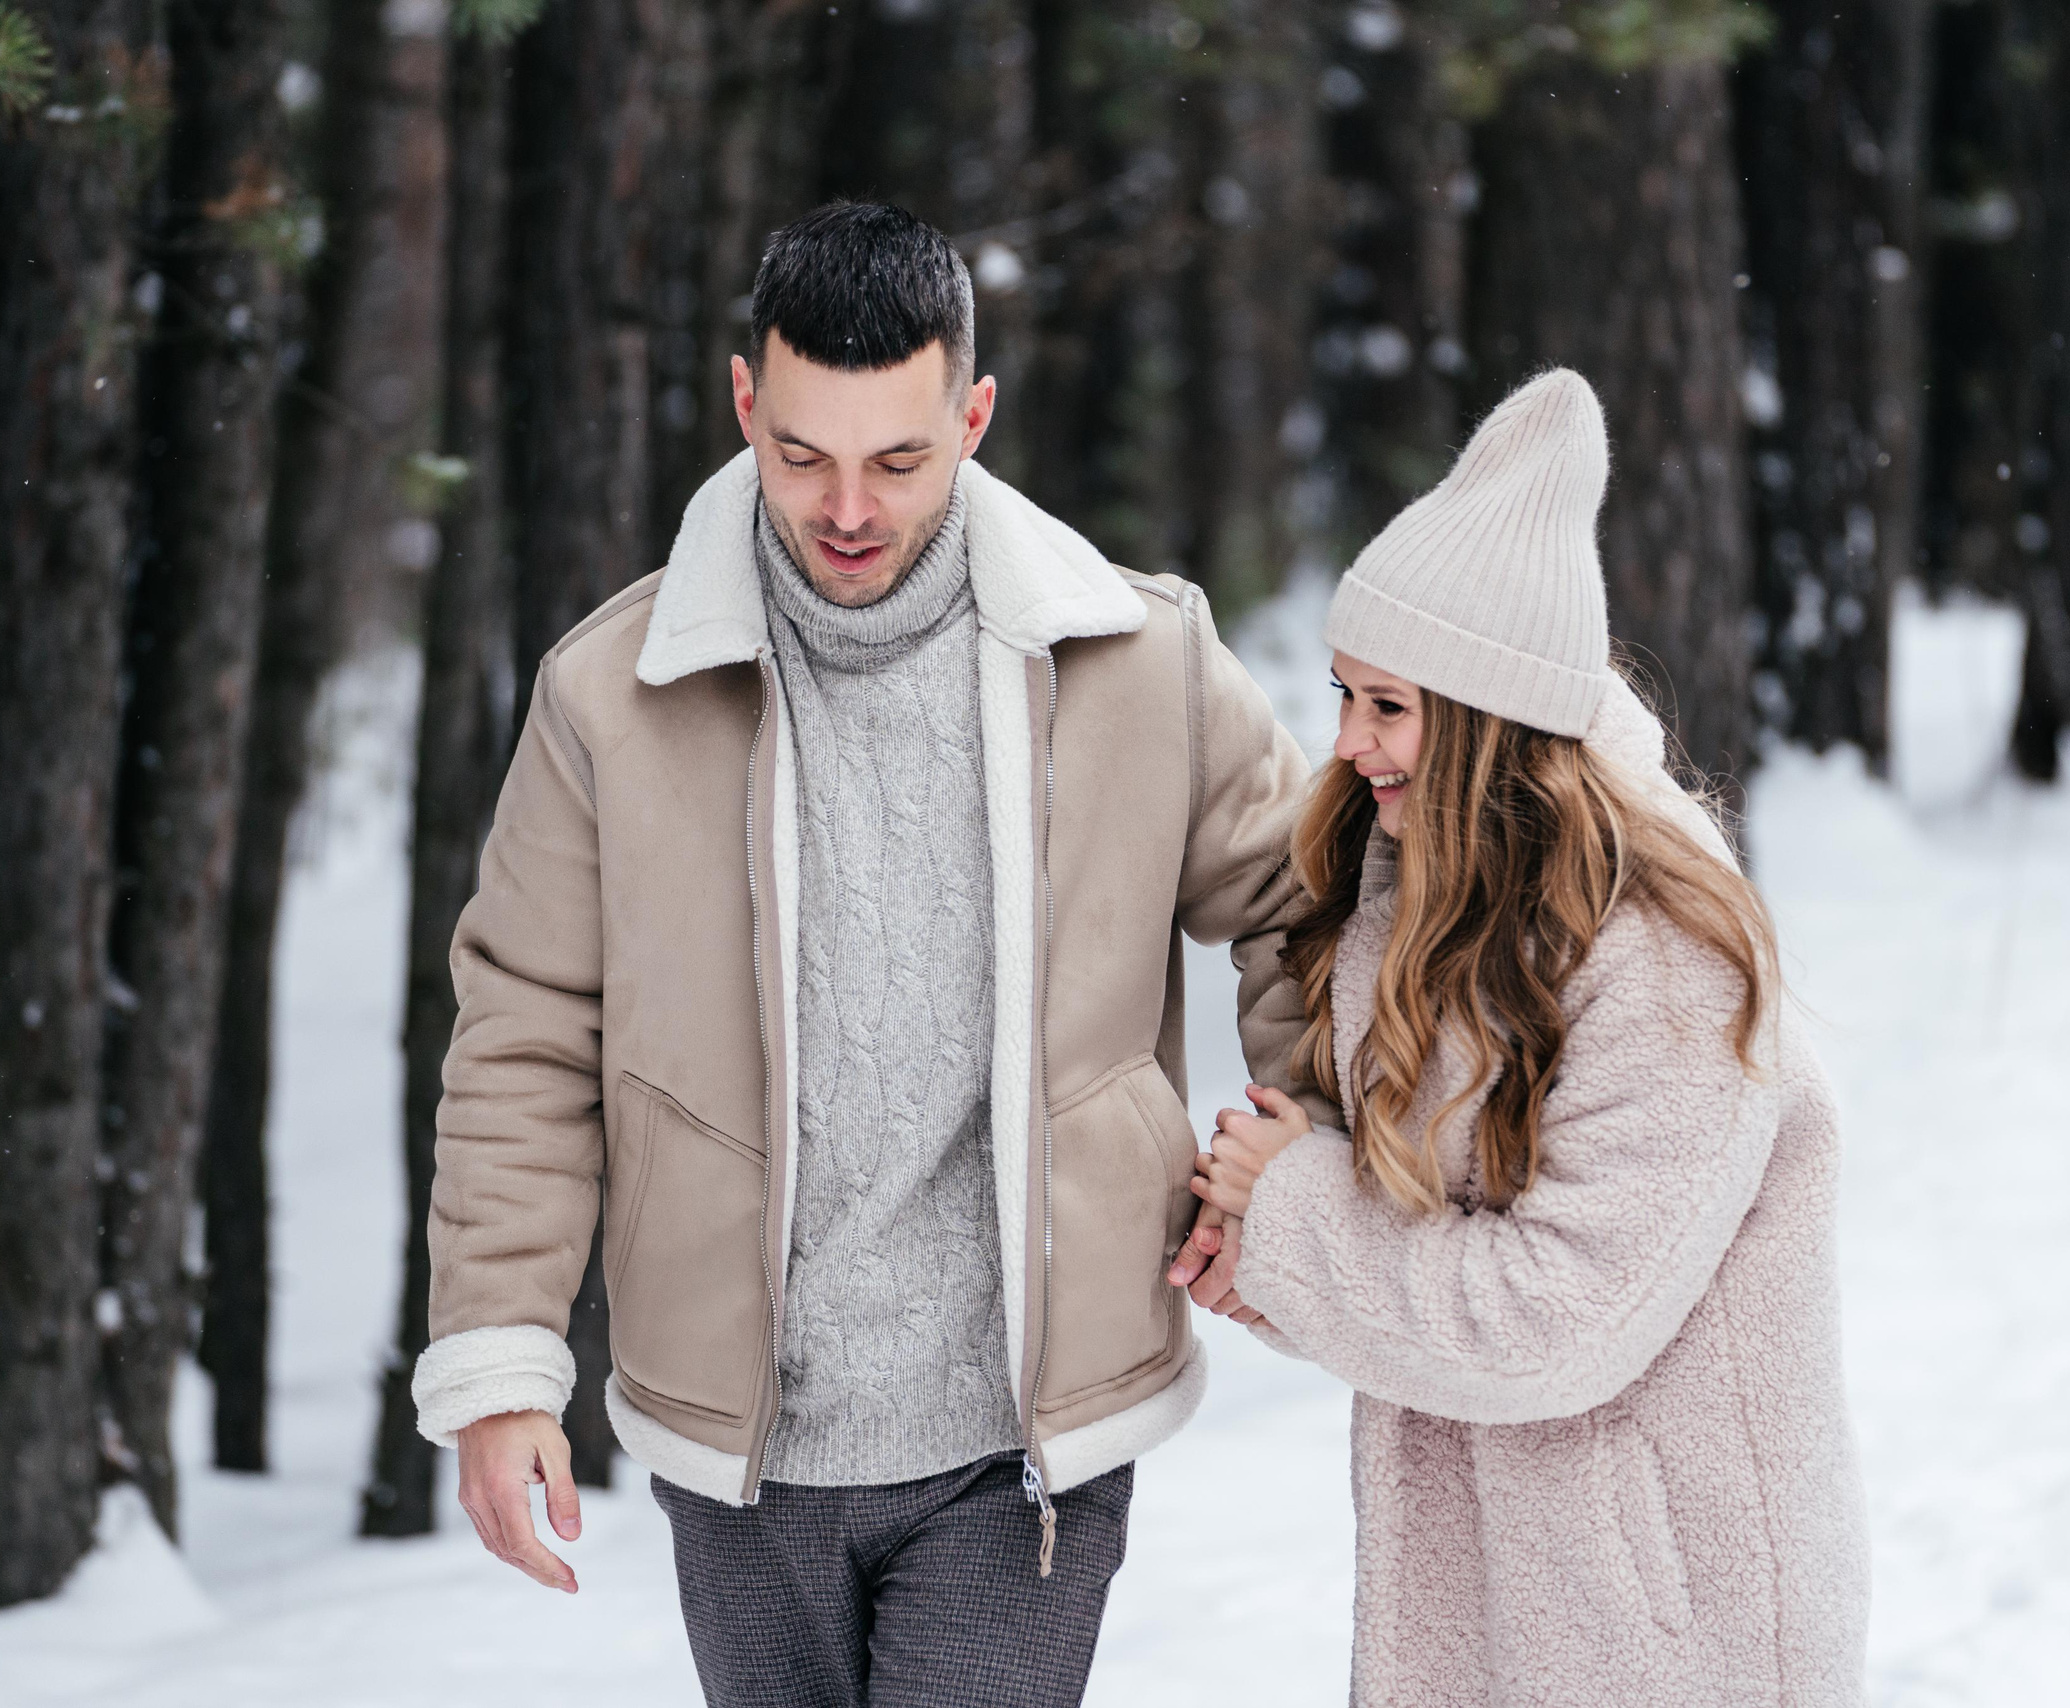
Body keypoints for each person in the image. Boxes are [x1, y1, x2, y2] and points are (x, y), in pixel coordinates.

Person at [409, 200, 1329, 1707]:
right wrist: (503, 1361)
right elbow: (524, 1029)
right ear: (743, 403)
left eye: (901, 460)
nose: (850, 507)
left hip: (1021, 1449)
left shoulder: (1137, 660)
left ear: (973, 412)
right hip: (742, 1447)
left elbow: (1307, 903)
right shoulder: (609, 696)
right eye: (802, 454)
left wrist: (1302, 1150)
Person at [1169, 370, 1871, 1704]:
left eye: (1389, 706)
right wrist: (1268, 1261)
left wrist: (1300, 1222)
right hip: (1503, 1600)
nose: (1352, 742)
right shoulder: (1420, 887)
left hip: (1665, 1626)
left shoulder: (1667, 957)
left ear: (1491, 718)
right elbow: (1425, 1236)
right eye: (1345, 694)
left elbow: (1558, 1317)